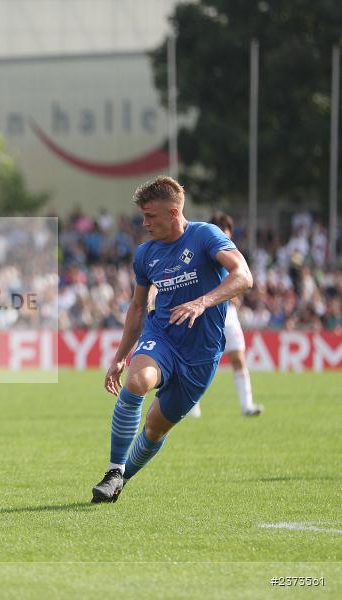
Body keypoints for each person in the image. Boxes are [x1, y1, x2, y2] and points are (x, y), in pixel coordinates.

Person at [91, 176, 253, 503]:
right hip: (161, 336)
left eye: (151, 216)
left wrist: (203, 301)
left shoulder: (205, 235)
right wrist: (121, 356)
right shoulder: (145, 254)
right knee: (138, 381)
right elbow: (138, 306)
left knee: (154, 428)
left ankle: (120, 480)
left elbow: (244, 276)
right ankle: (113, 469)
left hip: (201, 355)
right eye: (143, 216)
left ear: (175, 213)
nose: (144, 223)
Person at [188, 213, 263, 418]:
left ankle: (247, 405)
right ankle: (191, 406)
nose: (223, 238)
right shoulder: (201, 254)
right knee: (199, 362)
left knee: (238, 357)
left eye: (227, 234)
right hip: (206, 313)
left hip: (228, 315)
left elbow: (243, 280)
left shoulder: (232, 255)